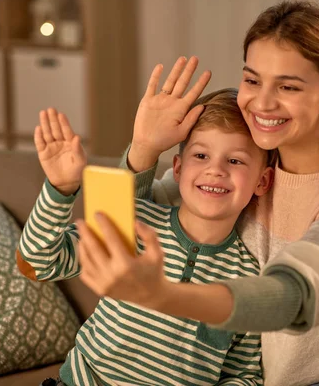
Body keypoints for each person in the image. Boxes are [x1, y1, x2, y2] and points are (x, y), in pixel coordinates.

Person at [74, 0, 319, 386]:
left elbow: (290, 297)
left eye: (288, 86)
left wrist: (162, 295)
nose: (262, 102)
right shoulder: (242, 173)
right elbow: (115, 222)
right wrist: (144, 146)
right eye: (252, 79)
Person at [16, 88, 275, 385]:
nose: (215, 170)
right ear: (177, 168)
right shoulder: (135, 219)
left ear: (262, 181)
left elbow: (244, 375)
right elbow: (38, 263)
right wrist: (60, 189)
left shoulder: (251, 280)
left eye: (235, 161)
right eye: (201, 155)